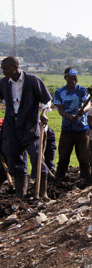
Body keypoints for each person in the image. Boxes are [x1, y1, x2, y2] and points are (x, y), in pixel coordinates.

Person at [0, 56, 52, 199]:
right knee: (14, 159)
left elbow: (47, 101)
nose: (3, 71)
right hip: (11, 126)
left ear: (15, 67)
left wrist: (44, 113)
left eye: (5, 69)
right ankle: (20, 194)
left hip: (29, 126)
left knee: (36, 156)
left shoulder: (32, 80)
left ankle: (42, 194)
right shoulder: (4, 83)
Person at [54, 68, 91, 182]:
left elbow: (88, 105)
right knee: (64, 157)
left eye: (76, 79)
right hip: (67, 130)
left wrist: (82, 110)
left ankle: (87, 179)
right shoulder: (59, 92)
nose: (74, 81)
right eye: (71, 79)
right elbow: (60, 110)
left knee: (84, 157)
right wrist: (70, 116)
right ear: (66, 78)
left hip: (82, 130)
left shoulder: (82, 90)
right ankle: (59, 179)